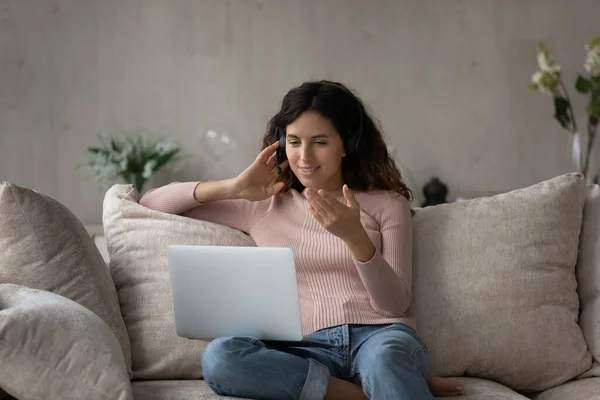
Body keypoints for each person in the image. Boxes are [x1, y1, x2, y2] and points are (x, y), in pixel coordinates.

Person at [140, 80, 466, 400]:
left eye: (320, 142)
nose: (305, 156)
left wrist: (356, 239)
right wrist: (235, 187)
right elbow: (151, 203)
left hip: (381, 337)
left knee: (384, 360)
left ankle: (388, 376)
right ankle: (370, 390)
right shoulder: (265, 205)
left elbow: (395, 304)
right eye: (294, 142)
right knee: (220, 356)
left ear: (348, 145)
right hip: (303, 347)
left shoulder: (387, 204)